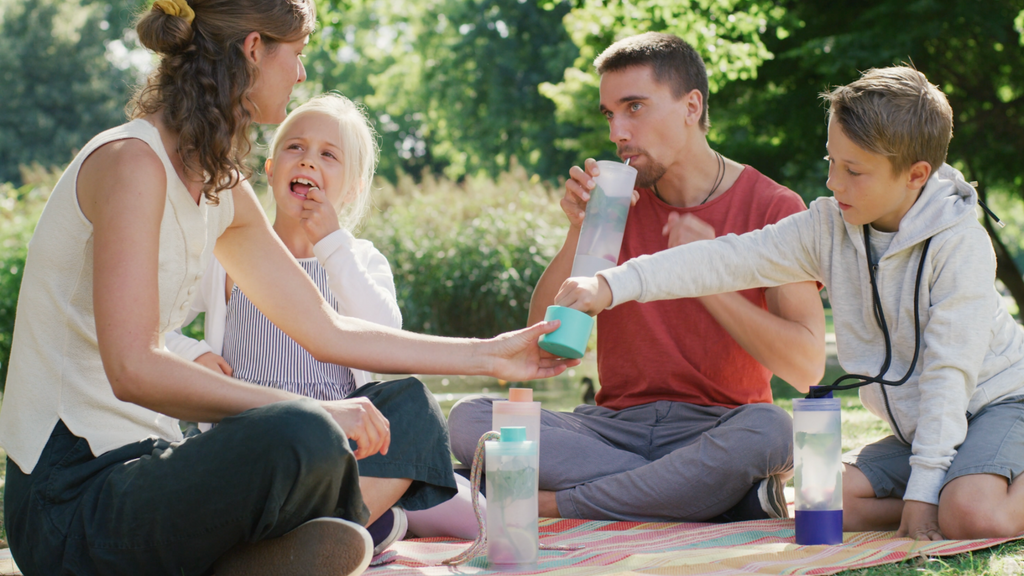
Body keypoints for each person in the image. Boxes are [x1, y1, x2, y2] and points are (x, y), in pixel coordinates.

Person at [0, 2, 575, 575]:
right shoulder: (132, 163)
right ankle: (272, 552)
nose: (301, 73)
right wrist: (318, 410)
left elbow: (327, 328)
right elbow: (134, 369)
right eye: (296, 54)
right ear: (254, 49)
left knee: (382, 411)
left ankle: (250, 560)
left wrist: (494, 353)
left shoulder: (216, 182)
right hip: (68, 503)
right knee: (304, 431)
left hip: (151, 471)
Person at [554, 65, 1024, 541]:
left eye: (853, 171)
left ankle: (956, 497)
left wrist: (924, 496)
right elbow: (727, 258)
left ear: (916, 175)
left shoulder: (958, 244)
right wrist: (611, 285)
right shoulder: (829, 226)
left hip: (999, 403)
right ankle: (954, 490)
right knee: (820, 501)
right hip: (927, 427)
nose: (833, 183)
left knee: (971, 517)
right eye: (831, 162)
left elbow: (948, 377)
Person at [448, 32, 826, 523]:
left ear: (691, 106)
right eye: (609, 113)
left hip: (722, 425)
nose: (616, 132)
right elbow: (546, 338)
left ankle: (557, 502)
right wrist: (578, 237)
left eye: (634, 108)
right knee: (470, 420)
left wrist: (703, 270)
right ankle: (707, 493)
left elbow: (806, 367)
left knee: (776, 430)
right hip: (612, 428)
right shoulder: (615, 205)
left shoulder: (775, 208)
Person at [165, 93, 483, 550]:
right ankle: (365, 526)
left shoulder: (359, 260)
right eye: (295, 148)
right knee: (419, 495)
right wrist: (192, 351)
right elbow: (155, 325)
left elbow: (387, 339)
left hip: (343, 451)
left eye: (328, 155)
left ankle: (347, 526)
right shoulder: (227, 256)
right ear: (272, 170)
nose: (309, 161)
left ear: (351, 189)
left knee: (419, 413)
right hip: (255, 438)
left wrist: (332, 242)